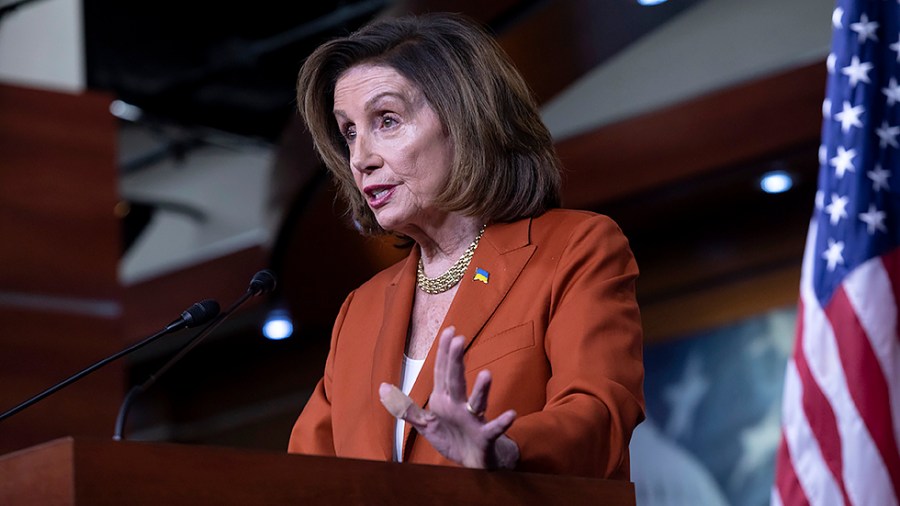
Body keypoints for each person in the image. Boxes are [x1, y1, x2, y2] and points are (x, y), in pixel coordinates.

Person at [287, 12, 644, 479]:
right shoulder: (361, 310)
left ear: (465, 120)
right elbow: (302, 478)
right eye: (350, 131)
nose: (360, 158)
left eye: (387, 120)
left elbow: (599, 412)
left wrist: (504, 450)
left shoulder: (576, 248)